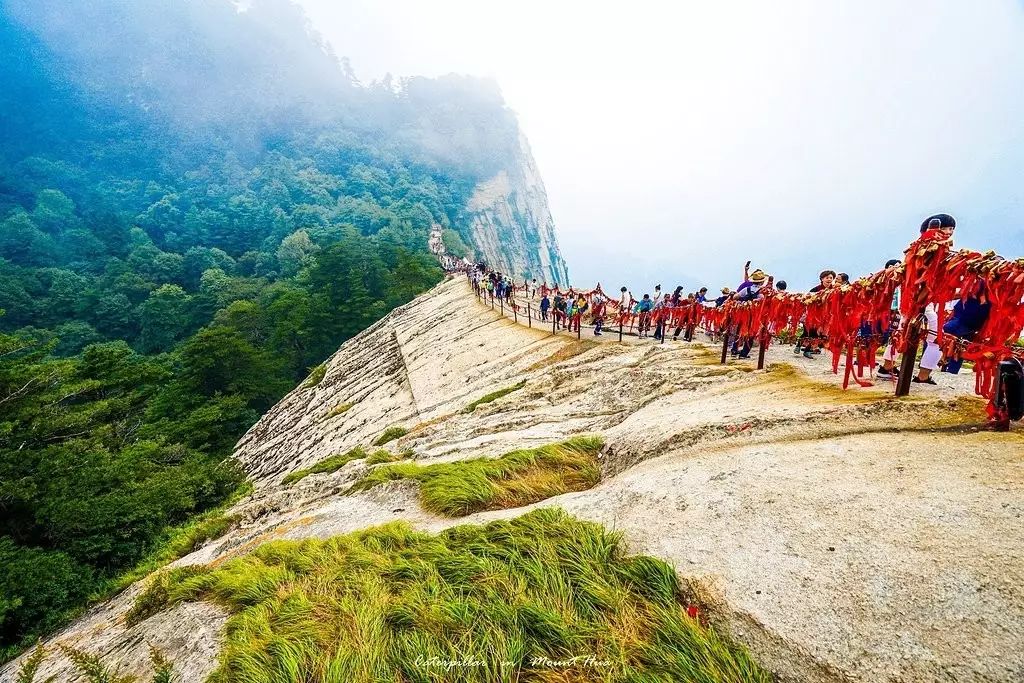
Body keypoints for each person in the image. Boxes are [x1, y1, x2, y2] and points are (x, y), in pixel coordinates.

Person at [941, 282, 991, 374]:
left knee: (953, 336)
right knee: (960, 342)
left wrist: (942, 297)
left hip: (968, 317)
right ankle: (950, 368)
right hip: (970, 318)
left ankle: (948, 367)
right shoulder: (983, 282)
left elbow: (964, 293)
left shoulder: (983, 282)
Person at [795, 270, 835, 359]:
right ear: (822, 279)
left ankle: (805, 349)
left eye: (831, 278)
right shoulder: (815, 290)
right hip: (812, 315)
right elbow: (807, 301)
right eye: (827, 277)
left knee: (817, 334)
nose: (829, 279)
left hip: (825, 316)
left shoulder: (834, 290)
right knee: (808, 332)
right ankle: (802, 348)